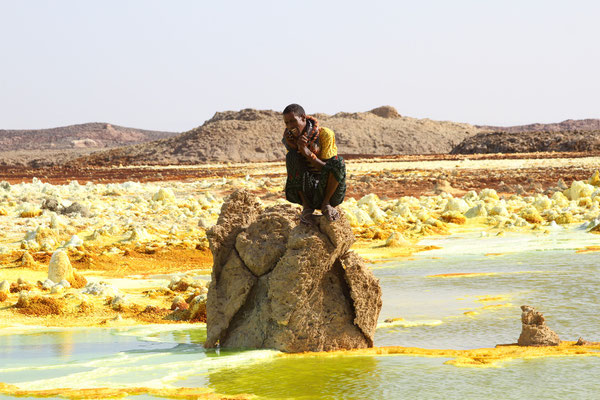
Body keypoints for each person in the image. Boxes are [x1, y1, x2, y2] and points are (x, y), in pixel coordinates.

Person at [282, 103, 346, 224]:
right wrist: (297, 150)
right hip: (308, 191)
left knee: (338, 162)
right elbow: (296, 170)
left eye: (293, 121)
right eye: (287, 123)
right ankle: (306, 208)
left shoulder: (324, 134)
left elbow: (328, 170)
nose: (290, 126)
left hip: (329, 192)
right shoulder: (289, 140)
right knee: (292, 157)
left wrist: (308, 154)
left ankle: (326, 204)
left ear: (303, 118)